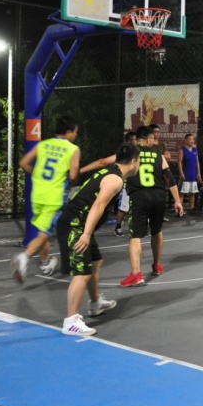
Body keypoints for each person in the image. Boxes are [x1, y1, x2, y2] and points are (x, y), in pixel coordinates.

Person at [57, 142, 140, 336]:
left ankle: (95, 303)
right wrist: (86, 234)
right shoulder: (115, 180)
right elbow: (98, 205)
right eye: (139, 161)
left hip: (79, 223)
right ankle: (71, 321)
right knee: (82, 272)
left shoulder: (112, 170)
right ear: (133, 162)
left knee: (96, 261)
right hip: (75, 226)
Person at [9, 116, 80, 282]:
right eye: (75, 132)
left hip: (38, 195)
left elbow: (23, 163)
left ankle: (45, 262)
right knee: (45, 233)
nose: (76, 135)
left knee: (43, 231)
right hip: (54, 197)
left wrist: (37, 174)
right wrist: (70, 185)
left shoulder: (42, 144)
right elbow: (73, 174)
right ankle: (24, 257)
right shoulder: (72, 149)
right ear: (69, 132)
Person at [122, 125, 184, 286]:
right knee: (156, 230)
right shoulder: (158, 156)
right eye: (153, 139)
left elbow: (118, 171)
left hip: (139, 196)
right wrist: (177, 201)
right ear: (149, 139)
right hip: (158, 196)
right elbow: (170, 179)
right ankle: (157, 265)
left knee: (136, 236)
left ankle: (136, 274)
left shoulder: (130, 153)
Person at [179, 133, 201, 214]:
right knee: (182, 193)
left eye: (193, 139)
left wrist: (199, 173)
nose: (192, 141)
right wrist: (181, 173)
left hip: (193, 175)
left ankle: (192, 209)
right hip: (186, 175)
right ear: (185, 140)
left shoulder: (195, 150)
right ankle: (180, 210)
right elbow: (179, 163)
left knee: (192, 193)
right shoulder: (182, 150)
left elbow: (197, 162)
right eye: (190, 139)